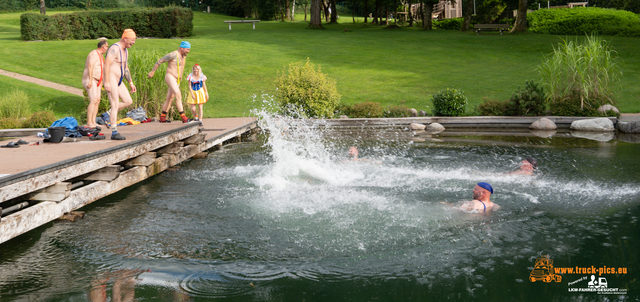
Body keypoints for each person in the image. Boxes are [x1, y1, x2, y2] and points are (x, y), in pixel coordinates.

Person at [104, 29, 137, 140]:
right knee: (115, 104)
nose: (134, 42)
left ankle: (106, 115)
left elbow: (125, 67)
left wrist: (130, 82)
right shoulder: (115, 48)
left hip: (119, 80)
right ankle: (114, 132)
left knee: (128, 101)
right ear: (125, 38)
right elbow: (107, 64)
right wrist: (107, 82)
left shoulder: (125, 51)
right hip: (112, 79)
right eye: (132, 40)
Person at [148, 41, 191, 123]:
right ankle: (184, 117)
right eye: (187, 49)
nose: (188, 51)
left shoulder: (183, 56)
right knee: (178, 94)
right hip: (170, 76)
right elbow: (160, 60)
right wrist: (152, 71)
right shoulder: (173, 55)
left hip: (177, 79)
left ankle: (162, 117)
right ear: (182, 48)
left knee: (170, 98)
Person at [82, 39, 109, 129]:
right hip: (91, 79)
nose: (107, 48)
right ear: (103, 46)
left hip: (98, 81)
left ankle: (93, 121)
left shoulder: (100, 56)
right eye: (107, 46)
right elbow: (90, 66)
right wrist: (90, 80)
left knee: (97, 100)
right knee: (93, 100)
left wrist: (101, 81)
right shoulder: (94, 54)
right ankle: (89, 122)